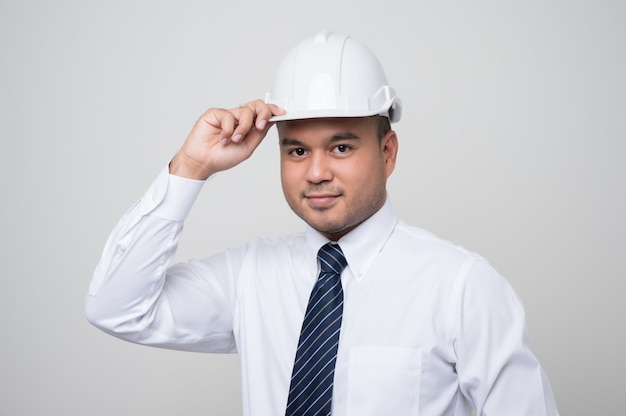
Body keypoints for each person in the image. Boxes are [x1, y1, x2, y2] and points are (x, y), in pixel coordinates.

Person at [86, 31, 559, 415]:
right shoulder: (250, 278)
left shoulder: (460, 285)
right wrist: (190, 166)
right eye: (296, 151)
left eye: (341, 147)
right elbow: (117, 308)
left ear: (387, 152)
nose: (315, 172)